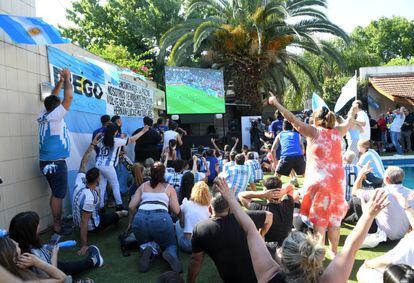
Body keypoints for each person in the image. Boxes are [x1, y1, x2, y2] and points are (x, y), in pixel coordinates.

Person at [214, 176, 390, 283]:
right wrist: (368, 215)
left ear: (282, 258)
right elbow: (351, 248)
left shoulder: (269, 275)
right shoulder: (329, 280)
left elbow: (251, 230)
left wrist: (230, 199)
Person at [268, 91, 358, 256]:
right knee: (334, 220)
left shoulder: (314, 132)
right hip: (337, 182)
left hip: (320, 183)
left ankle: (319, 255)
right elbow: (350, 120)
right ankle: (334, 252)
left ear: (317, 119)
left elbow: (292, 119)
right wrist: (353, 109)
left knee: (321, 220)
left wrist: (276, 103)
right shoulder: (338, 132)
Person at [187, 194, 272, 283]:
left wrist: (190, 281)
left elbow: (196, 259)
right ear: (231, 208)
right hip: (258, 273)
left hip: (230, 278)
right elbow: (269, 216)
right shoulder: (245, 218)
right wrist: (261, 235)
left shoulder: (200, 228)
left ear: (210, 209)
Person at [72, 139, 128, 255]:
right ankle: (123, 213)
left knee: (99, 200)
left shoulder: (79, 181)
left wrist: (92, 145)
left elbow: (83, 163)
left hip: (80, 221)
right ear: (97, 179)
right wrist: (84, 245)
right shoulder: (90, 198)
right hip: (93, 226)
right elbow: (84, 222)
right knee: (121, 214)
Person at [9, 211, 103, 277]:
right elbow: (53, 274)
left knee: (68, 266)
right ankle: (94, 260)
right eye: (37, 224)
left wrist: (47, 249)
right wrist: (54, 254)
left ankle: (93, 261)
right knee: (67, 267)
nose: (39, 225)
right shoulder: (29, 257)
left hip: (46, 266)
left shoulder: (17, 244)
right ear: (30, 231)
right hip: (51, 271)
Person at [128, 162, 182, 273]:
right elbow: (176, 210)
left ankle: (147, 249)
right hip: (161, 218)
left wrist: (135, 218)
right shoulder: (168, 188)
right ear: (164, 174)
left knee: (145, 241)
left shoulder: (143, 186)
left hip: (140, 217)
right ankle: (170, 253)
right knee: (170, 243)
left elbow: (131, 206)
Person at [38, 68, 73, 235]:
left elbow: (52, 98)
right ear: (57, 108)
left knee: (55, 194)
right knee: (58, 195)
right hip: (56, 163)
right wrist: (67, 78)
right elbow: (69, 97)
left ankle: (56, 223)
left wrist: (59, 82)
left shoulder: (44, 114)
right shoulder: (56, 116)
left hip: (45, 161)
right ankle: (57, 226)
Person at [357, 190, 414, 282]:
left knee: (364, 272)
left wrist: (368, 263)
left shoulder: (411, 242)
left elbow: (388, 261)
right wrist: (406, 206)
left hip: (403, 276)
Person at [353, 165, 414, 246]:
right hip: (401, 235)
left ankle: (366, 232)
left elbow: (355, 192)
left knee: (356, 200)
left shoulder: (381, 192)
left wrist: (360, 176)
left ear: (387, 179)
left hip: (384, 236)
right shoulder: (411, 192)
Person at [96, 123, 149, 211]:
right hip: (108, 166)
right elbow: (131, 140)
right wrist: (143, 132)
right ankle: (119, 205)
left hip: (99, 164)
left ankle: (100, 207)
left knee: (102, 185)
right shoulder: (116, 141)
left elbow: (99, 145)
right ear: (116, 131)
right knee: (115, 185)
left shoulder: (102, 139)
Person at [239, 177, 294, 245]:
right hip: (287, 245)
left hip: (269, 247)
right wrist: (282, 192)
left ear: (265, 190)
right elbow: (290, 187)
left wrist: (262, 194)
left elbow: (241, 195)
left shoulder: (260, 208)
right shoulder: (289, 203)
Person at [0, 237, 67, 281]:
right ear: (14, 258)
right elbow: (61, 277)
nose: (18, 244)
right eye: (17, 246)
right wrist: (37, 262)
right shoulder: (24, 279)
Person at [175, 181, 211, 253]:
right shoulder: (209, 207)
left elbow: (182, 224)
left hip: (188, 245)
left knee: (177, 223)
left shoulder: (186, 204)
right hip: (203, 246)